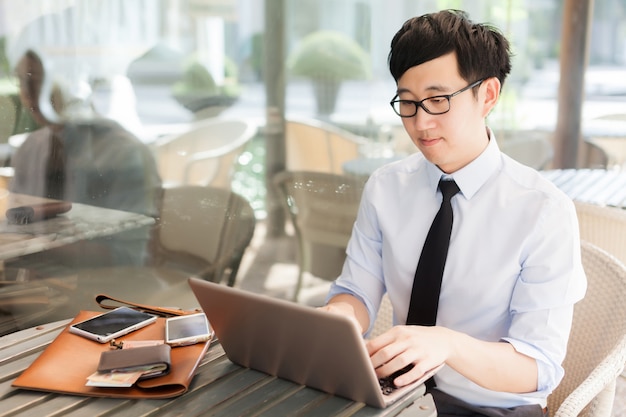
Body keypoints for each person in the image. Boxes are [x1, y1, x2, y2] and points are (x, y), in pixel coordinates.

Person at [320, 10, 586, 417]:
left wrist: (447, 344)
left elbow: (538, 367)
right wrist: (337, 320)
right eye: (407, 103)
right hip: (397, 395)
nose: (421, 123)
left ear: (489, 95)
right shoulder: (386, 188)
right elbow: (357, 291)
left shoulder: (543, 211)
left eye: (438, 100)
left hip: (491, 407)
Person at [8, 49, 162, 267]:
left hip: (103, 288)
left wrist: (37, 245)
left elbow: (129, 257)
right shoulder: (29, 149)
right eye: (22, 80)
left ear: (73, 83)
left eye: (40, 80)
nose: (29, 92)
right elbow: (17, 223)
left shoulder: (123, 153)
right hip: (40, 280)